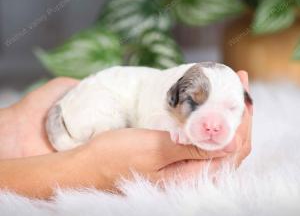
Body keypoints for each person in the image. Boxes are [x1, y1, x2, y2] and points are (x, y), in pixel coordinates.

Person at [0, 71, 252, 199]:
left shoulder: (177, 83)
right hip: (91, 107)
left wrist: (17, 126)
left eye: (230, 108)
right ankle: (76, 140)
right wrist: (83, 167)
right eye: (193, 104)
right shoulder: (164, 98)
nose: (212, 125)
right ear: (174, 97)